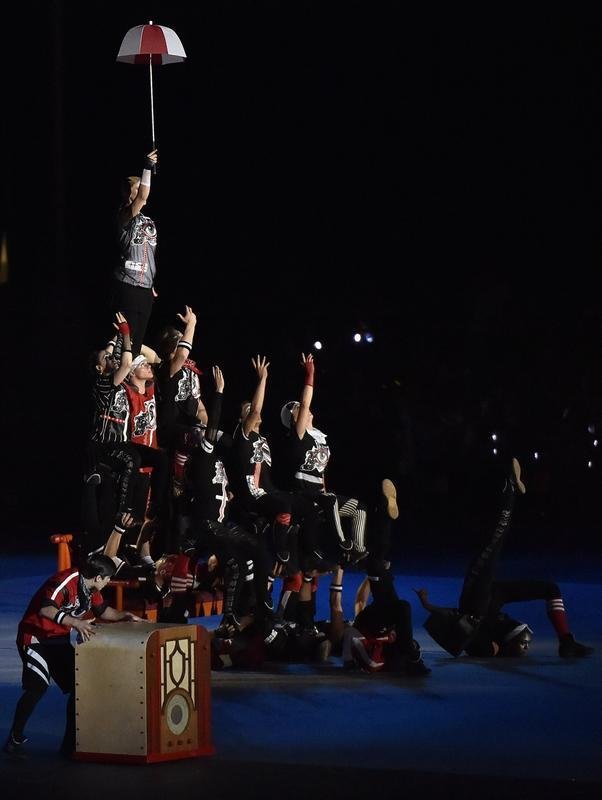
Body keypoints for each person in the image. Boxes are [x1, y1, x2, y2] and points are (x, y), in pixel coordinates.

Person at [415, 458, 594, 659]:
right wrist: (427, 605)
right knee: (501, 547)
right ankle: (566, 642)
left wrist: (427, 604)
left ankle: (508, 490)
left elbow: (453, 617)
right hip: (486, 601)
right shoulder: (490, 642)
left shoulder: (484, 644)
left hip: (480, 603)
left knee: (494, 542)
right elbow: (456, 620)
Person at [3, 554, 143, 758]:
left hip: (58, 640)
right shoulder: (66, 580)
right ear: (97, 577)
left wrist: (125, 615)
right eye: (107, 579)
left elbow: (103, 611)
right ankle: (15, 736)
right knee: (38, 686)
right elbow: (46, 609)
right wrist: (76, 623)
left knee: (79, 687)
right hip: (35, 636)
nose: (108, 583)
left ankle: (70, 745)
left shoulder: (91, 589)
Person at [280, 353, 367, 562]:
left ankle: (357, 549)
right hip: (304, 494)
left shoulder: (319, 437)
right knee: (330, 500)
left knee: (359, 507)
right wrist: (310, 374)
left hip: (321, 494)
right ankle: (342, 543)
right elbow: (305, 400)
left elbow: (322, 472)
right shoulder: (299, 434)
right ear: (294, 418)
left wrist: (326, 491)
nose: (304, 409)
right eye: (298, 409)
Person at [111, 148, 159, 356]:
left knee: (138, 341)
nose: (141, 191)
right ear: (128, 193)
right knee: (126, 340)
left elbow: (147, 253)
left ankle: (131, 384)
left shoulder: (148, 221)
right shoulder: (123, 216)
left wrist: (151, 281)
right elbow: (143, 197)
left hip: (146, 289)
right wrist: (147, 169)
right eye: (137, 188)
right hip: (128, 284)